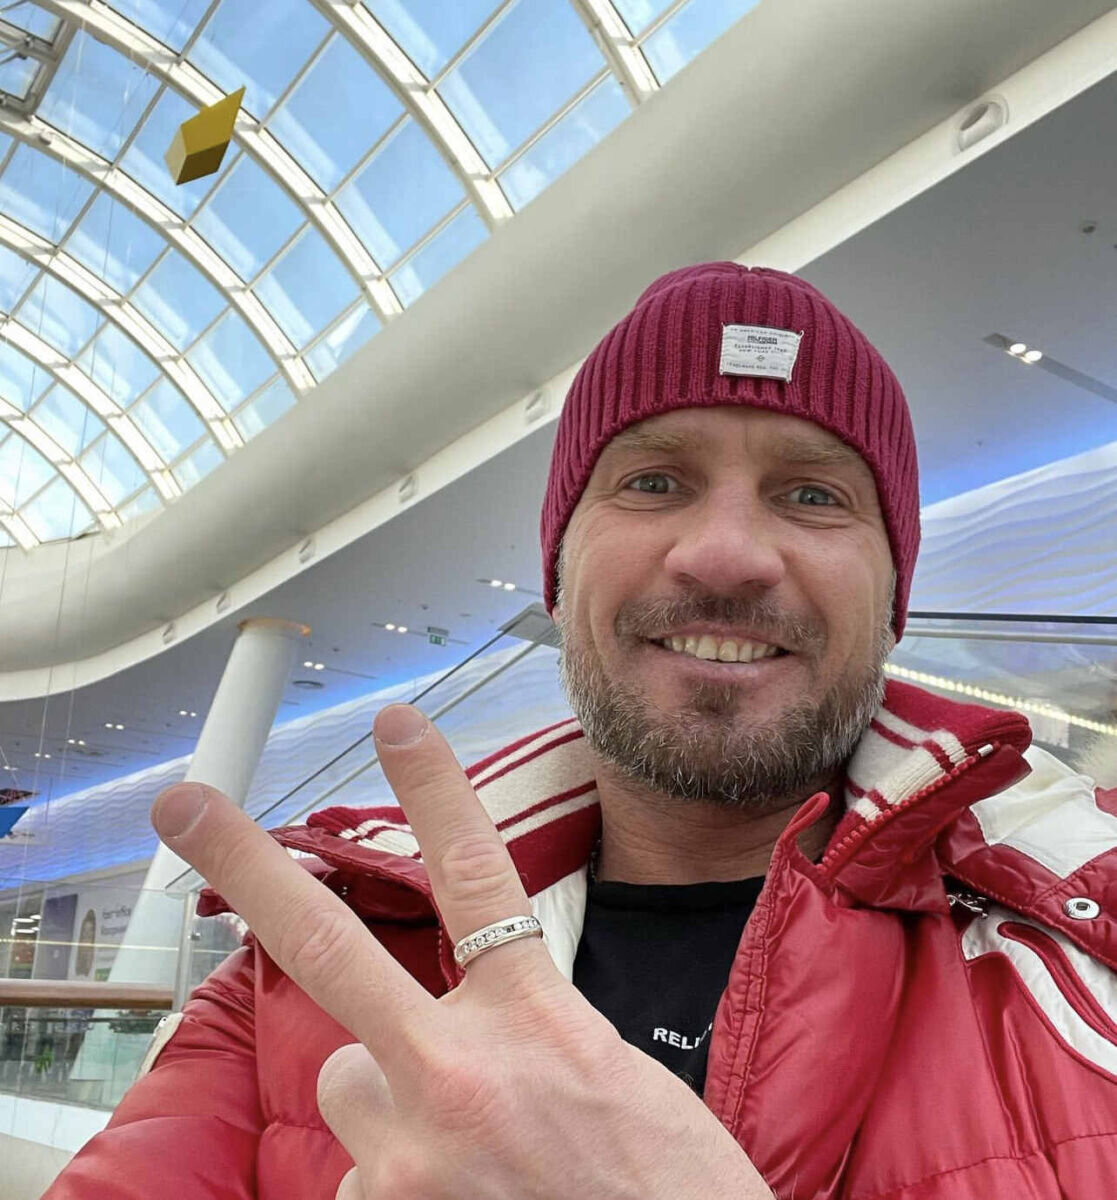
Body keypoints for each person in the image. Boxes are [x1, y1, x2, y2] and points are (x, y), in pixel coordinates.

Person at [46, 264, 1117, 1200]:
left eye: (810, 494)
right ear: (558, 579)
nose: (726, 554)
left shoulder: (1092, 937)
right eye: (652, 482)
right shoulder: (314, 969)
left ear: (892, 597)